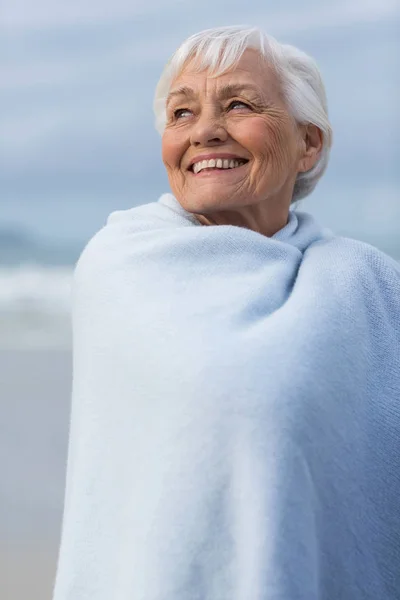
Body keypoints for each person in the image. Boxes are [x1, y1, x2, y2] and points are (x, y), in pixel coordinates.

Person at [52, 26, 400, 600]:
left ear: (308, 143)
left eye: (238, 104)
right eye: (181, 114)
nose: (205, 132)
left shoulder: (365, 284)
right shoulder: (123, 262)